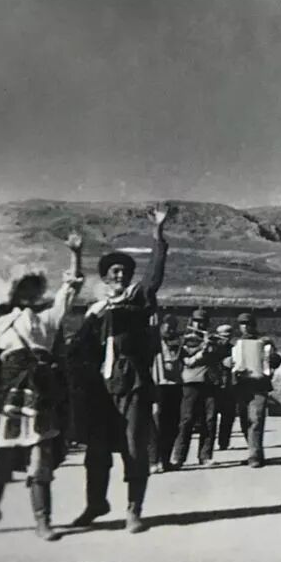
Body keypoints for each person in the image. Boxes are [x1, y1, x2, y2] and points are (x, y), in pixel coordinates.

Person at [0, 233, 84, 539]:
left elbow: (70, 290)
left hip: (40, 398)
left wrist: (75, 254)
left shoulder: (47, 320)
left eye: (33, 287)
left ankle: (43, 522)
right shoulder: (0, 326)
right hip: (9, 400)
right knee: (0, 459)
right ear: (14, 293)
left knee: (40, 458)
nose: (29, 293)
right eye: (23, 288)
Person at [69, 205, 171, 533]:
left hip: (132, 384)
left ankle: (133, 509)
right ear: (104, 277)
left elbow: (154, 275)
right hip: (101, 387)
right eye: (113, 271)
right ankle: (95, 503)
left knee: (133, 447)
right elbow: (79, 348)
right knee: (96, 450)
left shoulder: (137, 299)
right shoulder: (96, 310)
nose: (119, 275)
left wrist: (158, 233)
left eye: (124, 271)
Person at [171, 308, 222, 468]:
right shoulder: (186, 340)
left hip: (209, 383)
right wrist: (203, 348)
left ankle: (205, 456)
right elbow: (188, 361)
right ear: (192, 322)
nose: (199, 324)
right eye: (197, 321)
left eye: (203, 322)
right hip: (190, 382)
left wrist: (214, 345)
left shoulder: (212, 339)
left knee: (210, 420)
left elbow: (218, 358)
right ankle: (179, 457)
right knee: (187, 420)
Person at [231, 312, 281, 467]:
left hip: (259, 385)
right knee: (244, 421)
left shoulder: (264, 342)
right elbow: (227, 361)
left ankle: (255, 456)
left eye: (248, 324)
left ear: (254, 325)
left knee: (256, 419)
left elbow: (276, 360)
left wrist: (271, 359)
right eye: (242, 324)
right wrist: (230, 363)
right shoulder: (235, 343)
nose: (245, 327)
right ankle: (253, 451)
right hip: (241, 385)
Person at [150, 313, 183, 473]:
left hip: (175, 386)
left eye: (173, 328)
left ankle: (165, 459)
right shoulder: (153, 343)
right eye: (168, 327)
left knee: (172, 425)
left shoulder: (177, 343)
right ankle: (153, 460)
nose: (171, 331)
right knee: (157, 425)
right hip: (159, 386)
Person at [214, 324, 236, 451]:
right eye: (223, 337)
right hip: (215, 387)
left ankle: (224, 442)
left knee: (228, 416)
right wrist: (222, 363)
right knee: (211, 417)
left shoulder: (233, 349)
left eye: (228, 337)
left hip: (229, 386)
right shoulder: (213, 349)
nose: (226, 339)